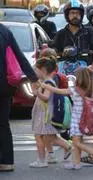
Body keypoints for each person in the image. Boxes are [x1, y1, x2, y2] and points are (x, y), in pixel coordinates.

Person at [42, 68, 93, 170]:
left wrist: (46, 86)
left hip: (77, 121)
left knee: (76, 142)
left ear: (78, 79)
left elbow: (59, 91)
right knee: (78, 142)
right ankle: (76, 163)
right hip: (87, 121)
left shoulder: (75, 90)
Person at [0, 23, 39, 172]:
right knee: (3, 123)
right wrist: (33, 78)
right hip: (6, 85)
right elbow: (19, 55)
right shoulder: (4, 31)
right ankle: (7, 161)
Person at [30, 58, 72, 168]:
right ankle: (68, 147)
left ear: (43, 70)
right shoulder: (48, 81)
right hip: (46, 113)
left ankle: (42, 160)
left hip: (45, 115)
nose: (34, 72)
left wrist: (36, 92)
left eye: (36, 69)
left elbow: (45, 98)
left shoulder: (48, 82)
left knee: (39, 136)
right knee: (51, 136)